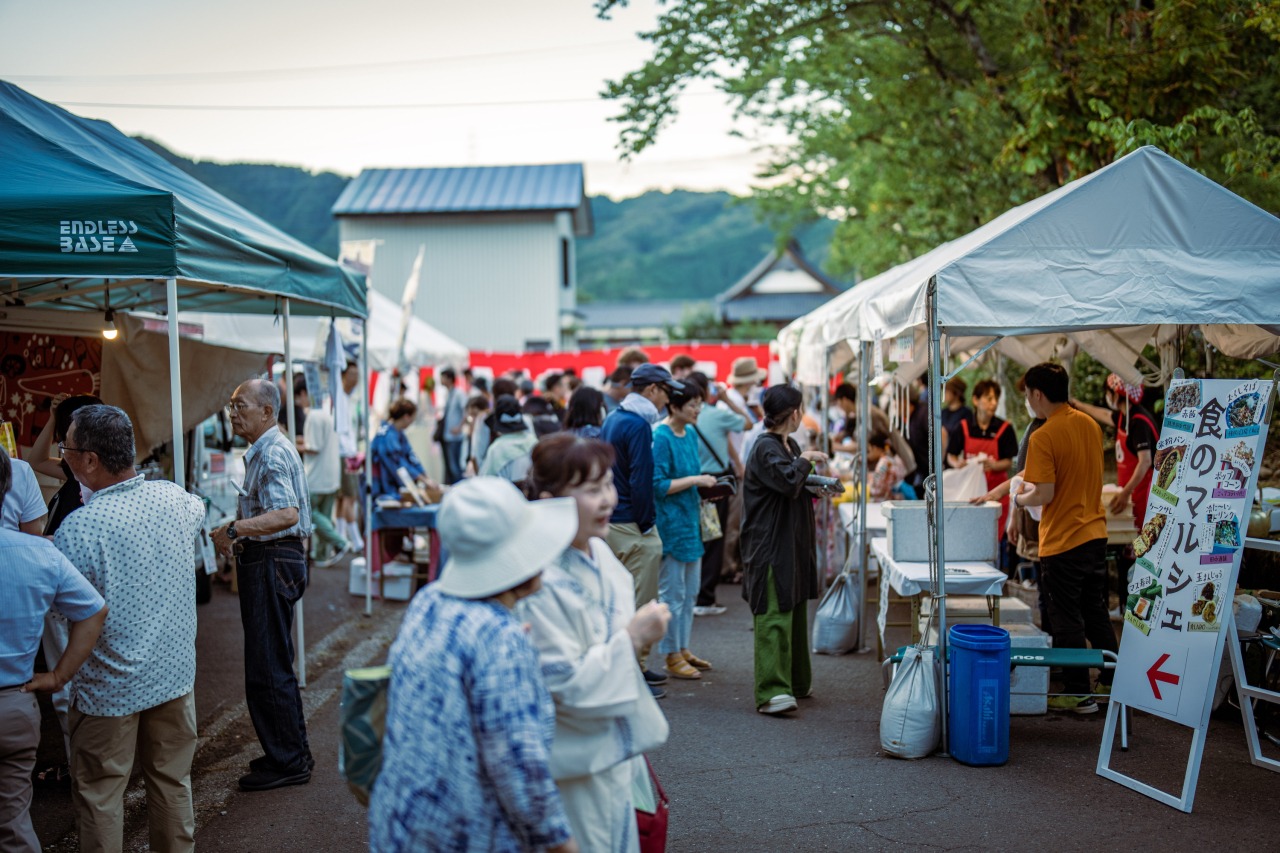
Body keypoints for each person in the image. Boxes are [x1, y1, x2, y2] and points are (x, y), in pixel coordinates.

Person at [369, 478, 580, 853]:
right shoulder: (499, 636)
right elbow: (519, 767)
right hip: (467, 834)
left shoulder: (429, 600)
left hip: (401, 823)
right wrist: (562, 844)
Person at [52, 405, 206, 850]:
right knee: (173, 781)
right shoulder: (175, 498)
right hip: (174, 675)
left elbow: (63, 611)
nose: (64, 457)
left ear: (90, 460)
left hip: (109, 689)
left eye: (67, 449)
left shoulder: (79, 528)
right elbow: (198, 511)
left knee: (101, 795)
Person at [518, 436, 672, 853]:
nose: (606, 499)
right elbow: (564, 682)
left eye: (607, 484)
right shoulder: (537, 579)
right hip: (569, 763)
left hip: (612, 753)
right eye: (590, 490)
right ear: (551, 500)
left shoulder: (601, 554)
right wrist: (633, 638)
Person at [0, 447, 107, 853]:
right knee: (13, 822)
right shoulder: (39, 552)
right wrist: (58, 676)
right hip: (17, 703)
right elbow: (94, 611)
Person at [211, 379, 316, 790]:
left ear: (267, 413)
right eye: (232, 406)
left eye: (241, 406)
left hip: (274, 560)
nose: (233, 413)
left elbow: (287, 513)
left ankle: (289, 761)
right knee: (272, 662)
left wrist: (235, 529)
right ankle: (289, 753)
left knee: (268, 666)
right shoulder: (269, 448)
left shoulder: (271, 452)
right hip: (274, 560)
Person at [1014, 362, 1116, 714]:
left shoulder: (1043, 436)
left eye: (1028, 393)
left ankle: (1077, 691)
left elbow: (1042, 493)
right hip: (1095, 533)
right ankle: (1109, 682)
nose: (1028, 399)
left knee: (1066, 616)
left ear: (1037, 394)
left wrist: (1018, 497)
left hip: (1063, 540)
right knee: (1095, 610)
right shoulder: (1088, 424)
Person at [741, 385, 828, 715]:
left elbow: (794, 484)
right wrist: (805, 461)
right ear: (794, 413)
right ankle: (772, 690)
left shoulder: (787, 443)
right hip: (770, 542)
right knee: (775, 610)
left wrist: (819, 486)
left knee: (793, 608)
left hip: (789, 539)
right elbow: (788, 481)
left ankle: (794, 681)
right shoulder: (766, 446)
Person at [601, 363, 683, 694]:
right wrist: (647, 522)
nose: (668, 399)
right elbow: (641, 479)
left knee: (621, 599)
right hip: (633, 523)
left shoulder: (616, 417)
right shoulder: (637, 424)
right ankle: (633, 671)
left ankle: (635, 667)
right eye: (666, 391)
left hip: (615, 520)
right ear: (651, 390)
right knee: (639, 601)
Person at [652, 382, 717, 680]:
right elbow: (659, 485)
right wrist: (695, 480)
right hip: (670, 523)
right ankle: (670, 655)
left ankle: (683, 647)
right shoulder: (660, 436)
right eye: (692, 404)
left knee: (690, 591)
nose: (698, 409)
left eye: (699, 403)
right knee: (673, 593)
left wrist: (702, 485)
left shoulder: (689, 433)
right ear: (674, 406)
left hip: (691, 519)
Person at [689, 373, 747, 615]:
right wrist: (725, 398)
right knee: (712, 537)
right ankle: (705, 597)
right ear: (705, 391)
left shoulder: (675, 420)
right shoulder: (717, 414)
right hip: (713, 485)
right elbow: (750, 422)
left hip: (689, 483)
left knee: (694, 535)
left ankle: (692, 594)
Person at [946, 378, 1018, 549]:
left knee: (994, 538)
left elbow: (1008, 462)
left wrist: (994, 465)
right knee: (969, 536)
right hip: (971, 492)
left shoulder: (1005, 429)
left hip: (997, 492)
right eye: (988, 398)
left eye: (996, 399)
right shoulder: (963, 427)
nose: (993, 403)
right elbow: (951, 456)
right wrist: (958, 464)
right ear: (976, 400)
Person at [301, 387, 349, 567]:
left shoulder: (314, 416)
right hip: (330, 475)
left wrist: (292, 445)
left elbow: (313, 447)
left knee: (311, 514)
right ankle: (321, 555)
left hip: (316, 477)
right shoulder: (329, 415)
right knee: (324, 516)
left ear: (305, 394)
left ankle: (340, 542)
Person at [370, 398, 433, 500]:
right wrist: (422, 479)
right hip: (383, 487)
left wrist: (425, 476)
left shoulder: (398, 433)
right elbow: (398, 464)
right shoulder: (387, 436)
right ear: (406, 417)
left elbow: (410, 455)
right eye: (413, 418)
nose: (412, 422)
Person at [335, 360, 365, 553]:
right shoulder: (339, 398)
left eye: (357, 375)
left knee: (342, 498)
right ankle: (355, 540)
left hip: (349, 452)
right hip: (345, 453)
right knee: (350, 497)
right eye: (351, 374)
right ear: (344, 376)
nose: (355, 379)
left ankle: (340, 538)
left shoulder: (350, 399)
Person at [481, 395, 539, 482]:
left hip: (506, 493)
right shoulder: (534, 442)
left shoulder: (496, 449)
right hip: (531, 493)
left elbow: (485, 480)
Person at [439, 368, 467, 485]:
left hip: (454, 436)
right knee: (450, 467)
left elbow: (466, 410)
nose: (441, 380)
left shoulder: (458, 393)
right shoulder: (449, 393)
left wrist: (459, 427)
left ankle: (459, 489)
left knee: (455, 467)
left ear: (449, 379)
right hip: (447, 435)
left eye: (443, 377)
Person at [866, 430, 908, 501]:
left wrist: (867, 484)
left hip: (887, 500)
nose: (869, 455)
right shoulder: (895, 459)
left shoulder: (884, 463)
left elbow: (878, 487)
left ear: (876, 448)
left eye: (869, 451)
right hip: (897, 499)